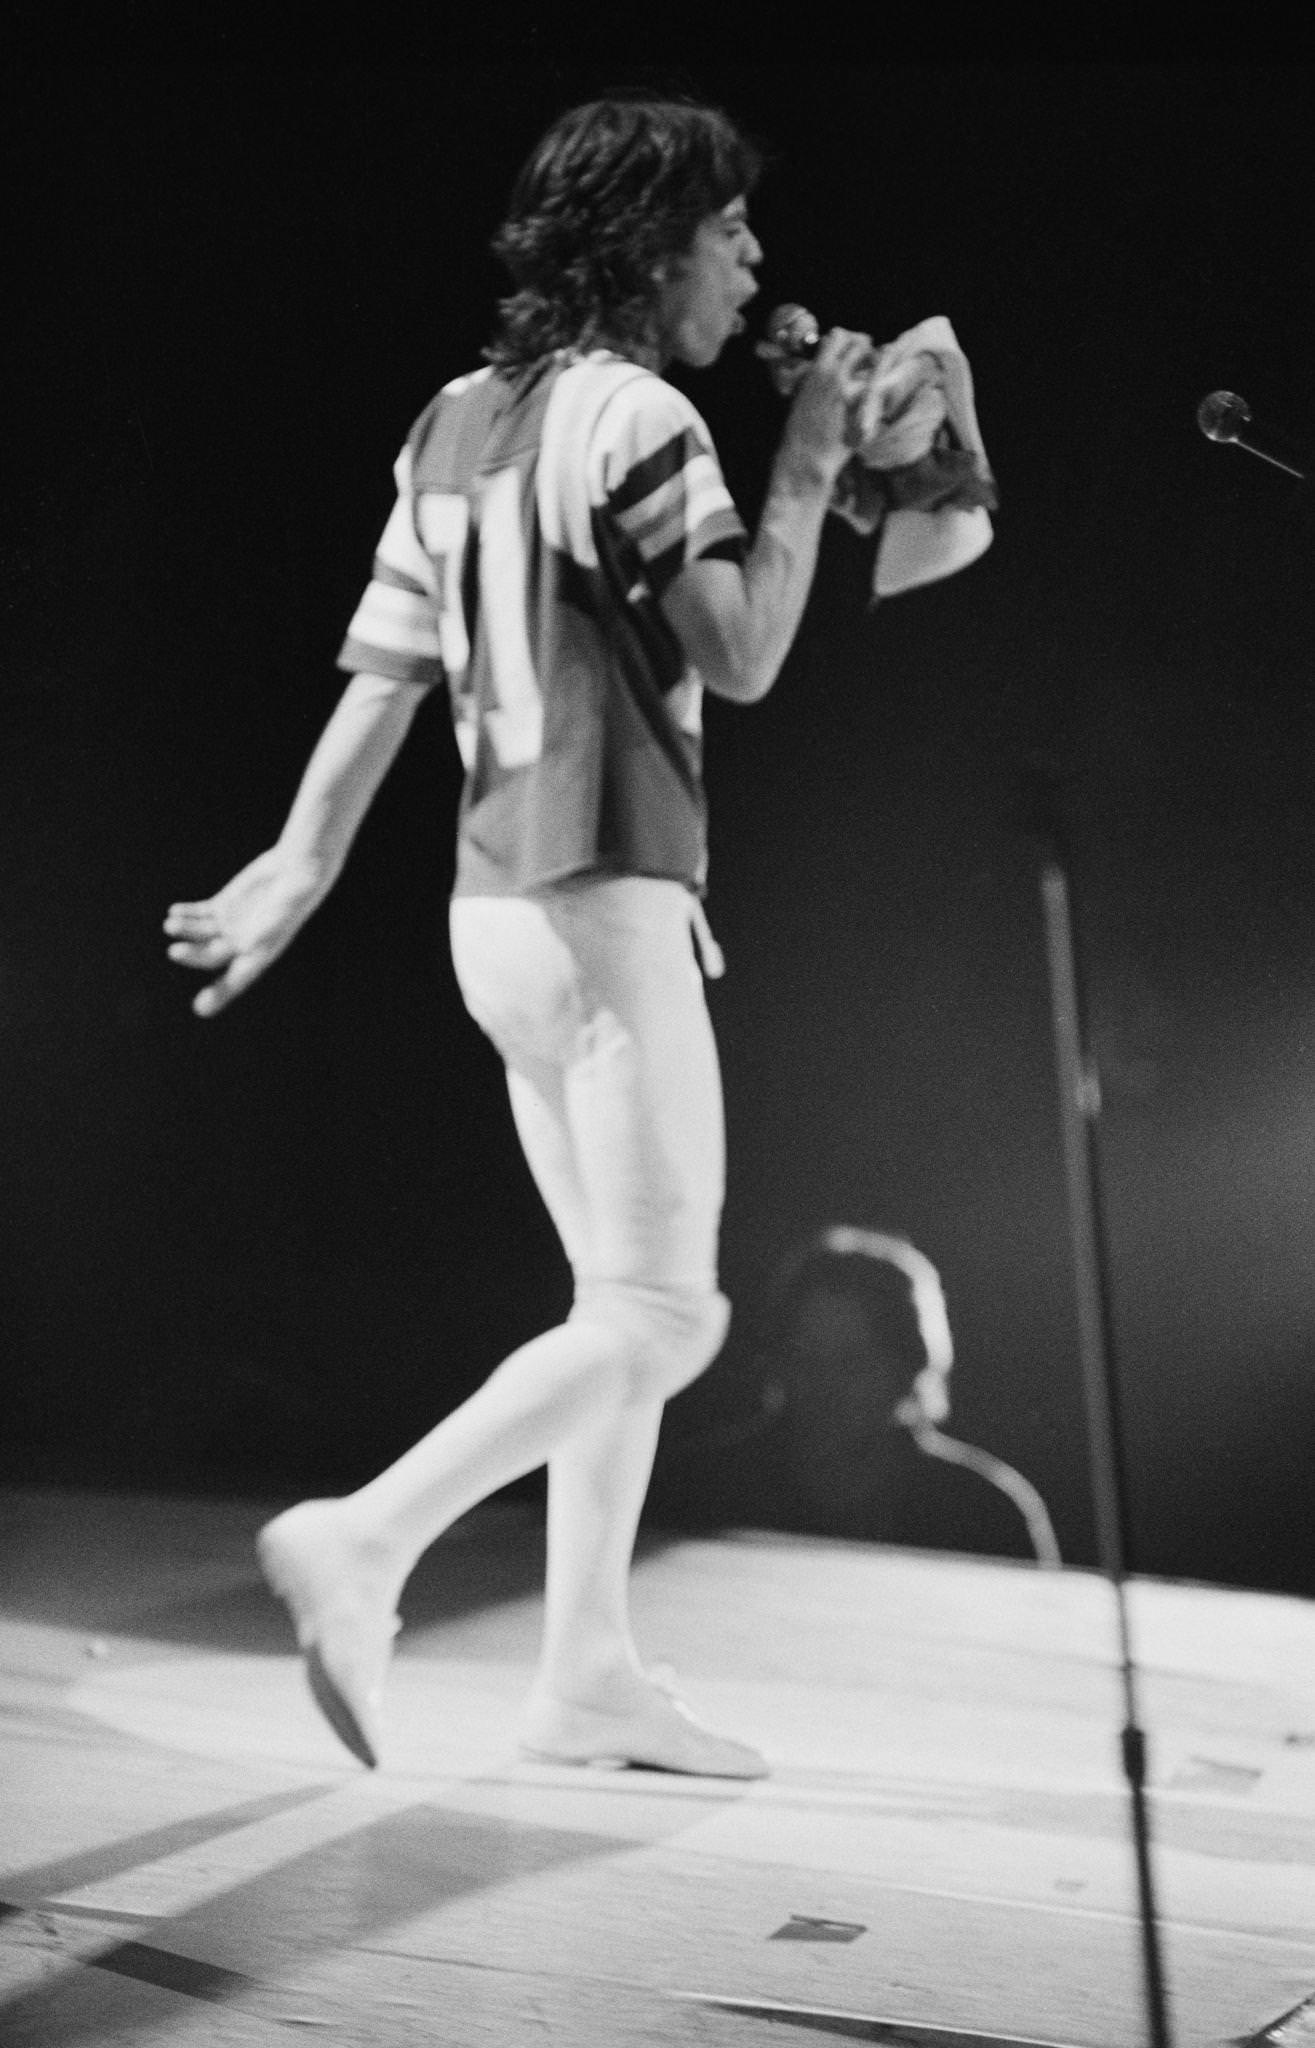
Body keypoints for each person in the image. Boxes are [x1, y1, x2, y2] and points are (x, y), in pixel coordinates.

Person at [164, 95, 880, 1780]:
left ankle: (584, 1669)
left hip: (494, 917)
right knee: (671, 1312)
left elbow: (382, 678)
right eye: (727, 230)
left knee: (606, 1304)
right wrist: (815, 464)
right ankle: (367, 1535)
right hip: (609, 901)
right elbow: (750, 645)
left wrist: (298, 859)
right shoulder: (647, 422)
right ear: (650, 247)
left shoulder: (457, 421)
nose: (753, 259)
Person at [648, 1226, 1053, 1561]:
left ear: (907, 1368)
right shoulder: (699, 1490)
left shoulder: (981, 1511)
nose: (825, 1385)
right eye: (805, 1357)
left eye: (853, 1363)